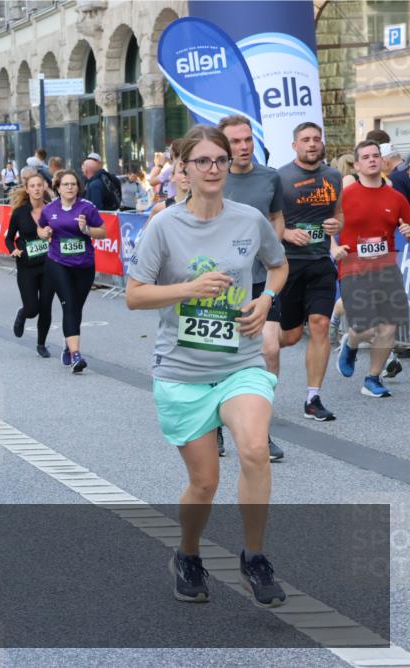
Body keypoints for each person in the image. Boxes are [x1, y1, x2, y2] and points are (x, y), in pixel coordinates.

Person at [125, 124, 289, 608]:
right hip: (182, 370)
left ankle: (255, 557)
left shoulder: (249, 219)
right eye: (203, 161)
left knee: (255, 450)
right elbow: (135, 294)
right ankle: (189, 554)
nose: (214, 168)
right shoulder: (164, 225)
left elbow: (277, 265)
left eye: (220, 159)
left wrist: (266, 299)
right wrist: (186, 291)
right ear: (184, 169)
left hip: (241, 362)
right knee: (204, 483)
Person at [219, 114, 287, 461]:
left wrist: (269, 247)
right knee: (222, 353)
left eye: (247, 140)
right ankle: (213, 423)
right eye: (235, 141)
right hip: (223, 283)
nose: (243, 147)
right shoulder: (214, 177)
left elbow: (277, 218)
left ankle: (261, 429)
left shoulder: (269, 177)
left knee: (270, 350)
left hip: (261, 277)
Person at [273, 122, 344, 421]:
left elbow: (338, 213)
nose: (312, 144)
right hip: (288, 264)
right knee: (287, 337)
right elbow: (267, 220)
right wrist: (286, 233)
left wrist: (336, 225)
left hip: (319, 264)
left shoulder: (333, 176)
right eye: (305, 140)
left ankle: (312, 398)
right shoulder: (280, 177)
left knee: (319, 324)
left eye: (316, 139)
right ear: (294, 146)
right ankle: (252, 353)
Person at [335, 140, 410, 397]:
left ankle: (372, 378)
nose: (372, 160)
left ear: (383, 161)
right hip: (353, 267)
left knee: (389, 326)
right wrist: (333, 249)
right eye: (365, 157)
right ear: (357, 164)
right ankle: (351, 343)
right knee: (365, 327)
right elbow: (326, 227)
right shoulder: (345, 196)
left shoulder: (397, 198)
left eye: (376, 155)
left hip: (387, 268)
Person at [37, 169, 107, 373]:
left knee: (76, 307)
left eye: (73, 184)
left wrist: (86, 230)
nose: (70, 187)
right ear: (58, 188)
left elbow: (103, 232)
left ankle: (69, 344)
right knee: (68, 304)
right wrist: (44, 233)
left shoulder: (87, 208)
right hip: (58, 262)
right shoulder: (50, 209)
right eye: (65, 184)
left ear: (78, 187)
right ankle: (76, 355)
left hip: (84, 265)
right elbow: (40, 229)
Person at [6, 170, 54, 357]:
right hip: (26, 266)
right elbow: (9, 238)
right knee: (32, 308)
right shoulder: (19, 213)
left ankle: (41, 344)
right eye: (32, 186)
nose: (36, 189)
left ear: (44, 187)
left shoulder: (51, 210)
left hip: (49, 265)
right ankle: (23, 313)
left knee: (46, 307)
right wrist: (13, 249)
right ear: (27, 190)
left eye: (39, 185)